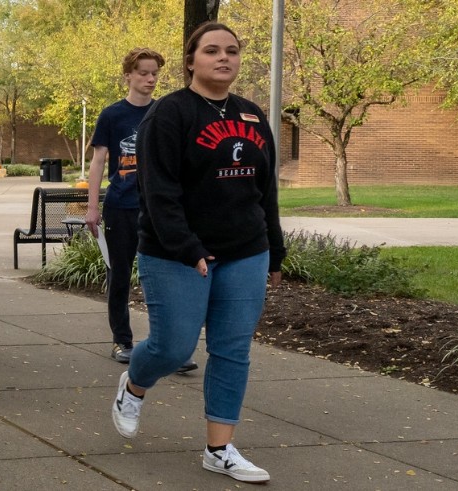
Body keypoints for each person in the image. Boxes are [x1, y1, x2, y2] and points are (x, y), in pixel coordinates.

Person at [111, 22, 285, 484]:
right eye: (212, 50)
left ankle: (219, 449)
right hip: (176, 252)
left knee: (232, 351)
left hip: (245, 250)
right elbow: (158, 192)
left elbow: (265, 190)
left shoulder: (251, 115)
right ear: (191, 61)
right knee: (174, 346)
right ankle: (134, 385)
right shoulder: (169, 114)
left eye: (231, 50)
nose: (223, 57)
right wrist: (188, 247)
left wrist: (275, 249)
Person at [85, 48, 198, 373]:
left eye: (154, 74)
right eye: (144, 73)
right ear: (128, 76)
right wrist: (93, 207)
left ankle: (172, 349)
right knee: (119, 277)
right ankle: (122, 341)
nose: (150, 79)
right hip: (121, 207)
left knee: (168, 279)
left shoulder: (165, 112)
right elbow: (98, 161)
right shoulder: (112, 115)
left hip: (159, 210)